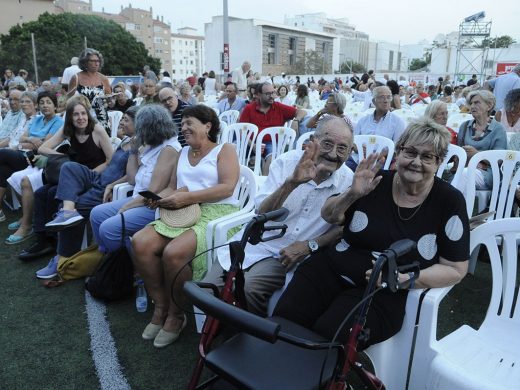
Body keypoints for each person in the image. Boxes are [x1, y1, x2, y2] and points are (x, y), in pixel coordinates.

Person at [274, 118, 470, 348]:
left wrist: (402, 279)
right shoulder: (376, 181)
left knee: (328, 336)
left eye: (427, 157)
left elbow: (455, 269)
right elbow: (330, 216)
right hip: (328, 269)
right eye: (411, 152)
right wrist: (352, 195)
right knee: (286, 319)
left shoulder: (448, 200)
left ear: (439, 162)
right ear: (398, 153)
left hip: (381, 291)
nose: (416, 162)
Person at [203, 116, 355, 316]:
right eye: (327, 144)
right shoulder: (286, 162)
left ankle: (249, 337)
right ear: (313, 140)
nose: (333, 154)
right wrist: (291, 183)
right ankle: (226, 328)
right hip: (255, 242)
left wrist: (310, 245)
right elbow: (263, 213)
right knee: (207, 288)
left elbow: (343, 229)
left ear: (350, 152)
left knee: (248, 289)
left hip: (288, 256)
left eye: (342, 148)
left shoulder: (349, 181)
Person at [131, 105, 239, 348]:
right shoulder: (183, 153)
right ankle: (161, 307)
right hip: (181, 210)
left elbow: (227, 187)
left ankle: (176, 315)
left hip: (216, 212)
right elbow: (172, 187)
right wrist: (158, 198)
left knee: (173, 253)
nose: (184, 127)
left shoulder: (224, 149)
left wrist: (186, 197)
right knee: (140, 242)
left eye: (190, 123)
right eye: (183, 124)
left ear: (208, 126)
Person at [34, 107, 139, 278]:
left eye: (126, 119)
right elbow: (110, 164)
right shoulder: (126, 139)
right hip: (98, 178)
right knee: (68, 167)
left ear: (138, 123)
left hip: (105, 187)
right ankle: (68, 212)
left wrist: (112, 185)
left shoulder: (139, 145)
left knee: (70, 202)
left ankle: (62, 257)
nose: (122, 122)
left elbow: (132, 176)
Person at [19, 97, 112, 263]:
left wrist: (87, 172)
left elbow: (110, 160)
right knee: (41, 193)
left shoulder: (97, 130)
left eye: (83, 113)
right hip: (73, 177)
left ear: (88, 115)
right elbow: (42, 148)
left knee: (54, 192)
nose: (80, 118)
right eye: (76, 114)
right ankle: (43, 239)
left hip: (94, 176)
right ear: (70, 117)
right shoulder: (68, 130)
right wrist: (64, 156)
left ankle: (55, 240)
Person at [87, 105, 180, 256]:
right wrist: (134, 150)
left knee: (109, 228)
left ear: (151, 128)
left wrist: (125, 207)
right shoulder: (151, 145)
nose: (139, 132)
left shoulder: (168, 149)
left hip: (153, 206)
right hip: (137, 199)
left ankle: (132, 267)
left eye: (141, 127)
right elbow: (131, 180)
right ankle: (108, 260)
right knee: (96, 214)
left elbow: (153, 192)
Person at [0, 92, 64, 226]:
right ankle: (26, 217)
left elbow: (42, 144)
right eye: (42, 103)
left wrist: (28, 142)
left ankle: (27, 219)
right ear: (38, 105)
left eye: (48, 102)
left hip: (34, 158)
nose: (45, 106)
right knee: (3, 171)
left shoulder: (58, 122)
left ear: (55, 106)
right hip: (21, 153)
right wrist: (30, 139)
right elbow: (22, 138)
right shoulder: (37, 119)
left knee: (2, 153)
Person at [457, 90, 507, 192]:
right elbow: (458, 152)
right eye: (471, 103)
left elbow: (500, 160)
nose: (472, 106)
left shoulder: (498, 129)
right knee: (460, 174)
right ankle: (463, 206)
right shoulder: (465, 126)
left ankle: (454, 207)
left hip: (488, 172)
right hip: (465, 166)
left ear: (489, 106)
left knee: (464, 175)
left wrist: (477, 155)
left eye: (477, 102)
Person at [239, 82, 306, 156]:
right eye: (268, 94)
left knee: (272, 158)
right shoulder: (249, 108)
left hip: (272, 143)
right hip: (250, 143)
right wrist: (253, 145)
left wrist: (296, 120)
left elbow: (302, 112)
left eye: (273, 93)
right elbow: (241, 130)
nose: (272, 96)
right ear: (259, 95)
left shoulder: (279, 107)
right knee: (232, 150)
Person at [67, 48, 111, 133]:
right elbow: (68, 100)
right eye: (92, 61)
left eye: (98, 61)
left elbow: (109, 100)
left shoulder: (104, 79)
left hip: (101, 117)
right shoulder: (76, 78)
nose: (96, 63)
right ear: (85, 62)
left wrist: (111, 100)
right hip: (82, 117)